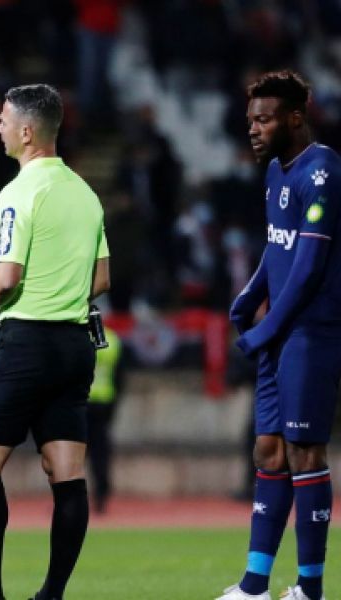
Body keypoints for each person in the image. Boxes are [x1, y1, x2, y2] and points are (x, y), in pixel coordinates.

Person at [0, 84, 110, 600]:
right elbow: (101, 279)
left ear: (26, 132)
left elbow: (5, 275)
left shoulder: (19, 191)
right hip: (75, 347)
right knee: (66, 473)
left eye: (4, 119)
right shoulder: (85, 194)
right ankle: (51, 594)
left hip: (27, 342)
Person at [217, 70, 341, 600]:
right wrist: (250, 295)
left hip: (312, 332)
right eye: (251, 120)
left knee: (304, 452)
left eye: (264, 120)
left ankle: (310, 589)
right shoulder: (275, 172)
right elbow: (279, 244)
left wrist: (262, 331)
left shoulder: (323, 171)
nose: (253, 129)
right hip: (280, 334)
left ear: (294, 118)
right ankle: (254, 587)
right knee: (268, 450)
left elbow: (309, 267)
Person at [86, 326, 123, 514]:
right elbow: (119, 376)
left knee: (72, 453)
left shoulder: (78, 335)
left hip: (80, 402)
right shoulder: (112, 339)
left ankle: (68, 497)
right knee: (100, 454)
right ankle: (101, 496)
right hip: (104, 403)